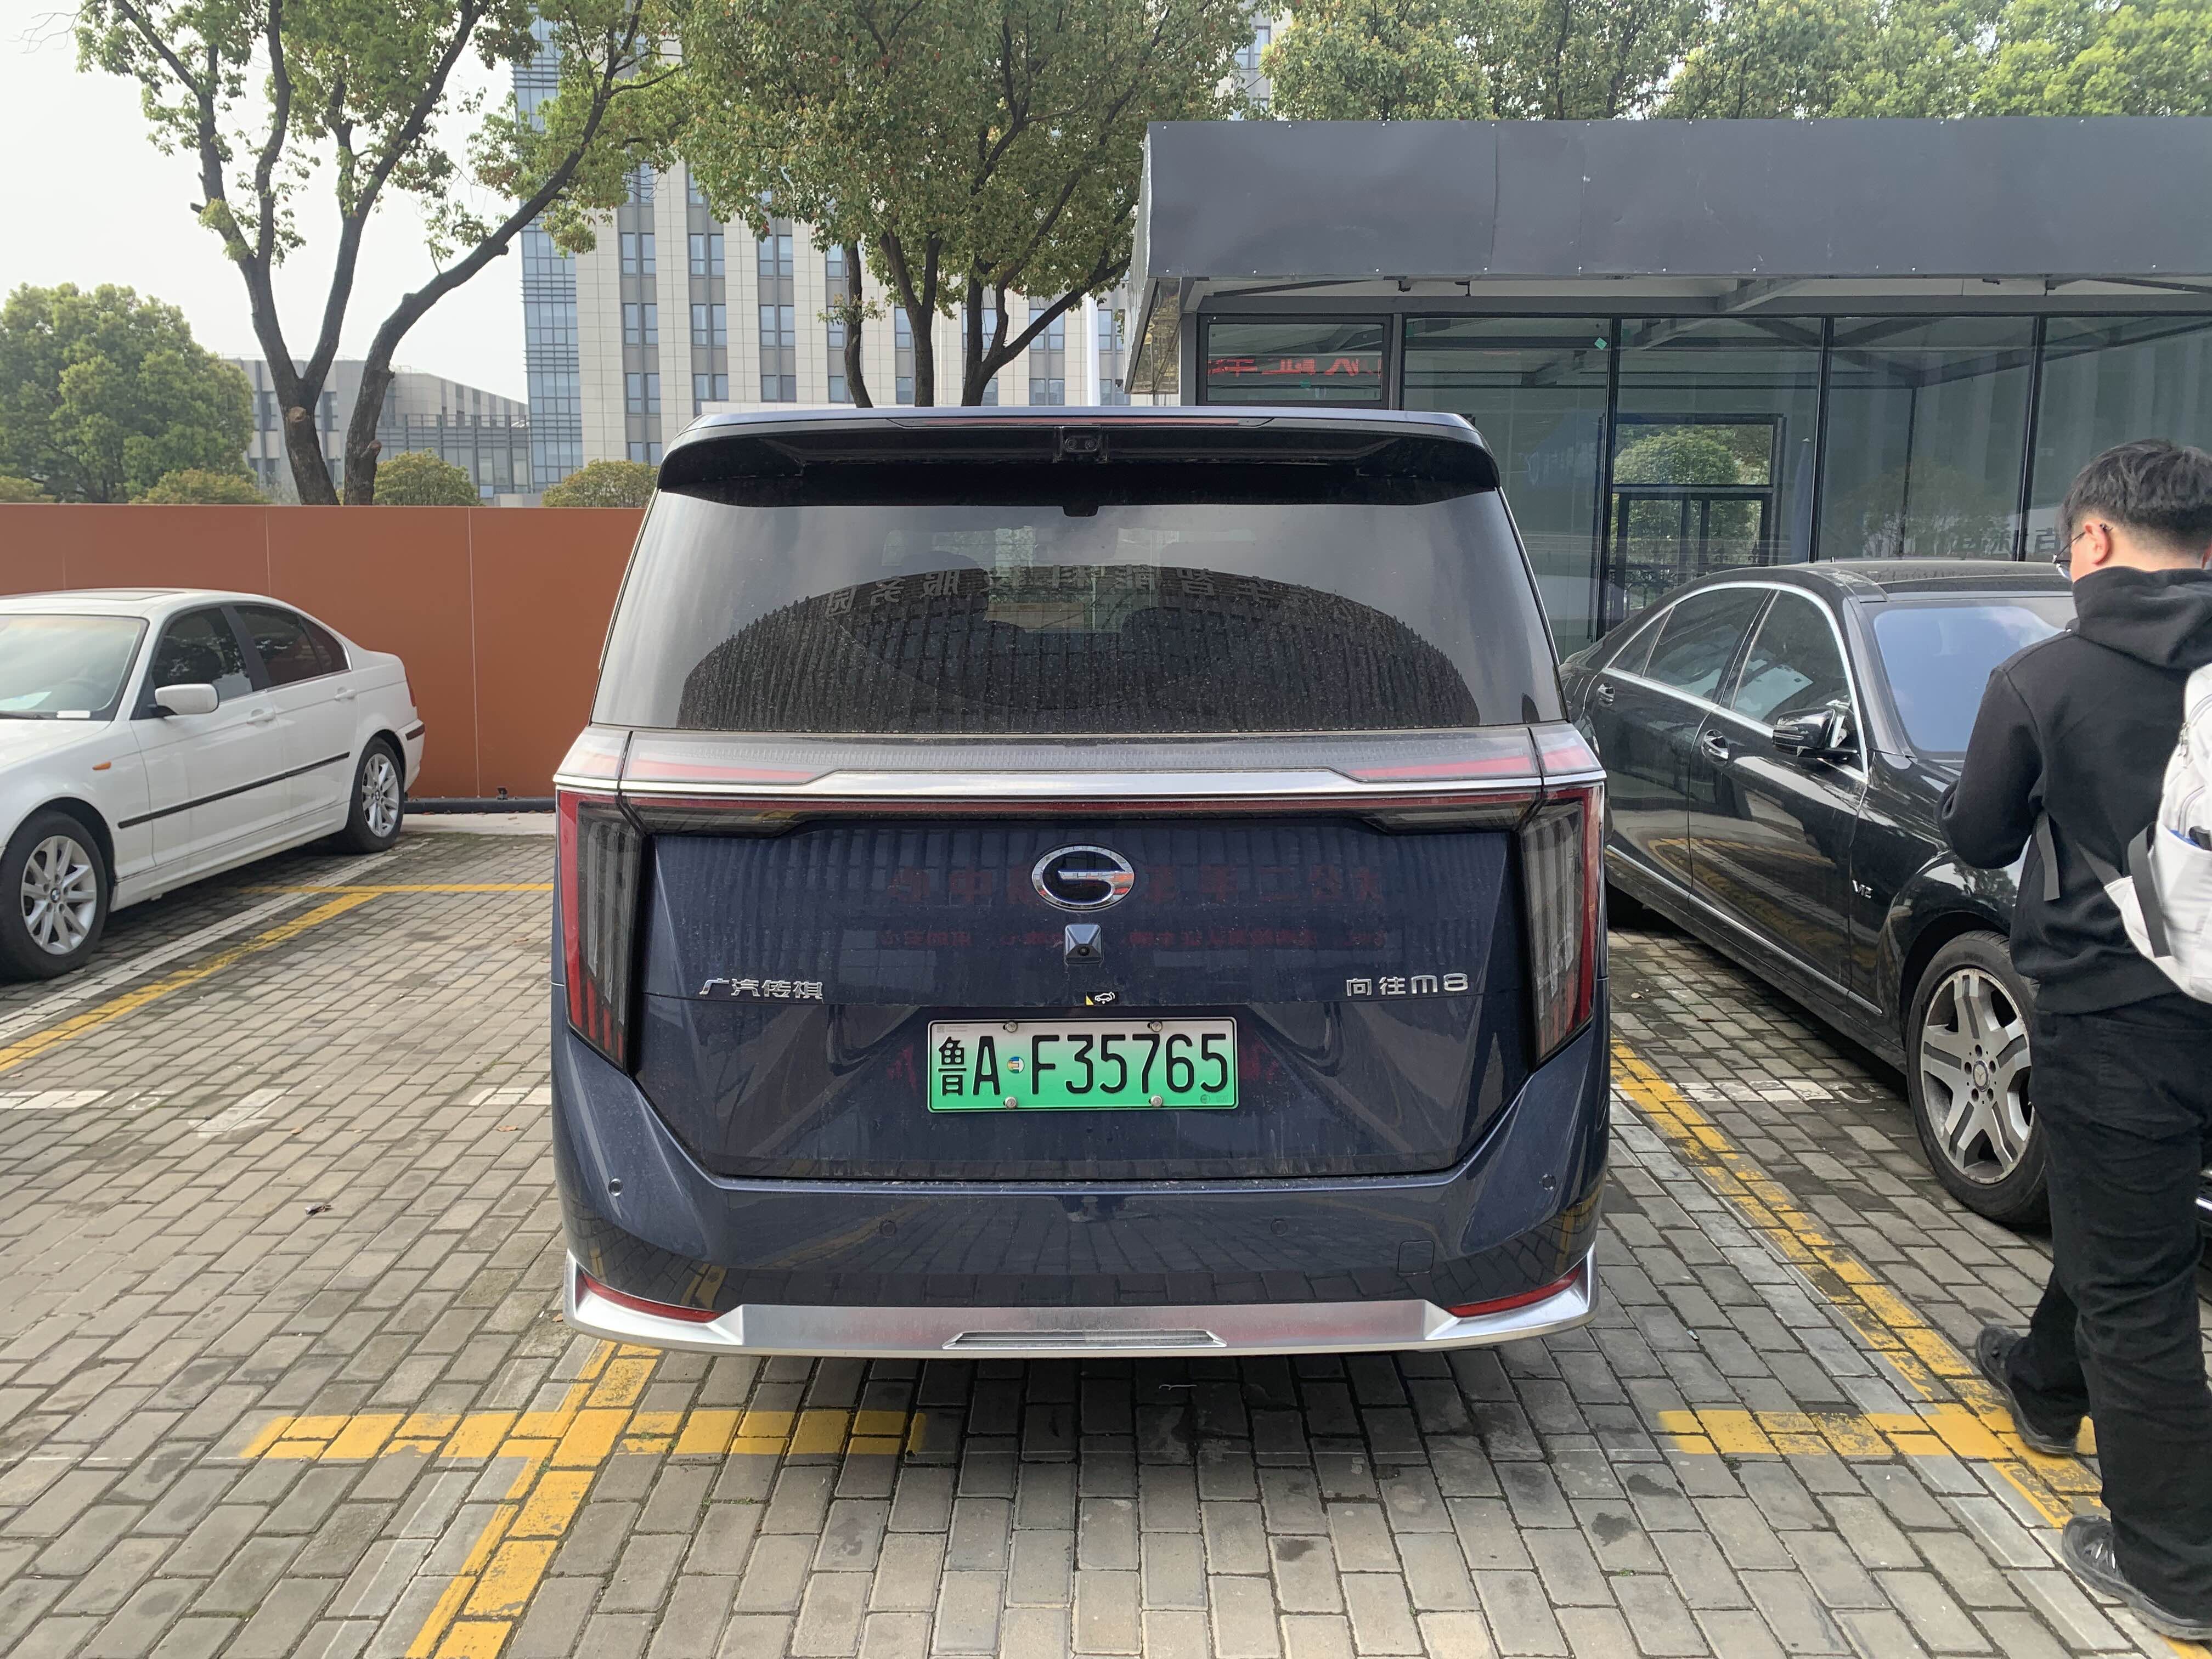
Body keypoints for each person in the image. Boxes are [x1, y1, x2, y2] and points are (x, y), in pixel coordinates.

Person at [1942, 437, 2212, 1640]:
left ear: (2093, 541)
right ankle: (2045, 1388)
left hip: (2117, 1021)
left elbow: (1980, 835)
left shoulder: (2045, 677)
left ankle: (2174, 1566)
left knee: (2138, 1289)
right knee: (2123, 1238)